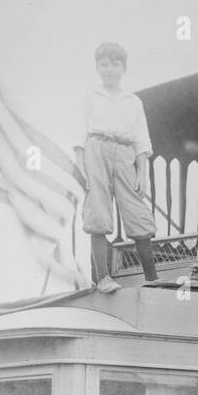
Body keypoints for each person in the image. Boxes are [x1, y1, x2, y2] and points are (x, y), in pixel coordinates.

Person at [83, 42, 159, 292]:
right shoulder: (90, 97)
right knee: (98, 213)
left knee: (137, 212)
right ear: (97, 68)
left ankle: (152, 278)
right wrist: (83, 170)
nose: (108, 69)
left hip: (125, 153)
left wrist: (143, 175)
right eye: (103, 64)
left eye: (114, 64)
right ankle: (103, 278)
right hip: (97, 149)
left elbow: (141, 140)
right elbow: (78, 136)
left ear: (124, 68)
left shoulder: (133, 101)